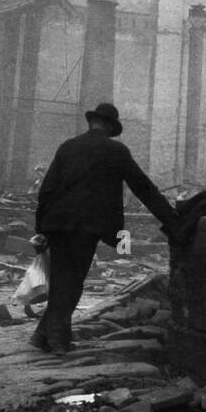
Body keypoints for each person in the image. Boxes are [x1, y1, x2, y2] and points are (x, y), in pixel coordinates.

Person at [30, 102, 179, 353]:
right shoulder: (115, 150)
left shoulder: (67, 147)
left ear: (92, 123)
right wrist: (171, 219)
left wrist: (41, 228)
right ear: (110, 126)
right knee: (72, 281)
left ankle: (42, 335)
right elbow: (143, 187)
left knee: (62, 279)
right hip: (86, 225)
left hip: (56, 222)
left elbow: (46, 189)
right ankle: (57, 341)